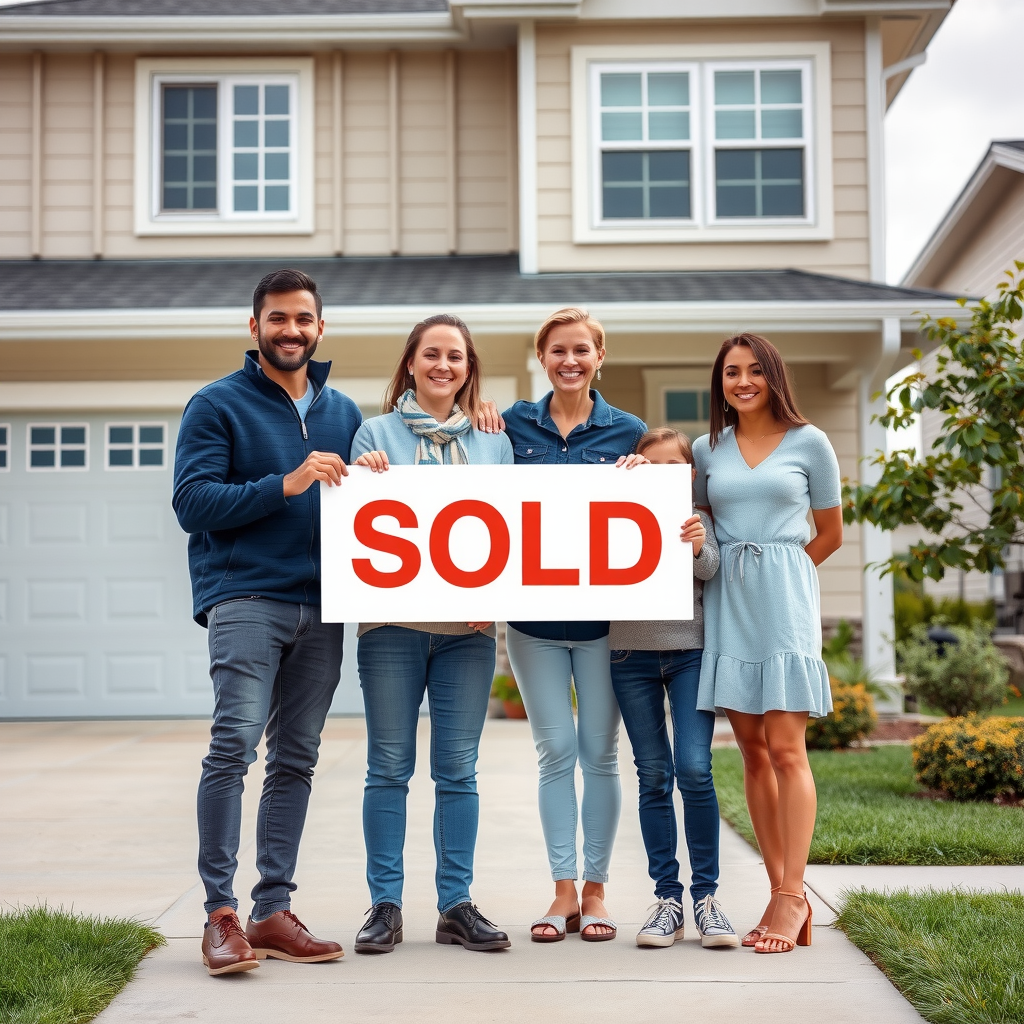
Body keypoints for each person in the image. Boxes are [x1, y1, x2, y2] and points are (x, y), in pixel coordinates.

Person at [173, 269, 361, 976]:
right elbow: (192, 502)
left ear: (321, 327)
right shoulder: (217, 404)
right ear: (254, 328)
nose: (291, 331)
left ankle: (272, 908)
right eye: (277, 319)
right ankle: (221, 914)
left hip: (325, 606)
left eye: (303, 319)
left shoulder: (343, 410)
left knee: (296, 758)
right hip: (248, 599)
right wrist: (284, 482)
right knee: (233, 747)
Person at [348, 313, 514, 954]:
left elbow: (514, 528)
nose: (444, 365)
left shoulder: (493, 440)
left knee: (458, 769)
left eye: (456, 356)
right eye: (431, 355)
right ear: (411, 364)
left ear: (469, 368)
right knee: (388, 767)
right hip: (391, 626)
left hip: (467, 633)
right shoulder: (375, 432)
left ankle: (455, 905)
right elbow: (355, 510)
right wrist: (364, 473)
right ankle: (384, 906)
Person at [692, 333, 843, 954]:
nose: (743, 381)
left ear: (774, 376)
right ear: (720, 382)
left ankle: (791, 896)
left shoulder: (812, 443)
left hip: (783, 603)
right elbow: (698, 526)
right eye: (732, 372)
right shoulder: (708, 448)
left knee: (786, 748)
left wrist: (785, 574)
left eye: (755, 370)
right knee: (751, 750)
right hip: (729, 601)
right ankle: (783, 890)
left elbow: (830, 533)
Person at [501, 307, 647, 943]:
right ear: (543, 358)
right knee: (554, 752)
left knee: (600, 754)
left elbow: (644, 514)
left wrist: (648, 479)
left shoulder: (628, 431)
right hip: (531, 624)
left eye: (581, 350)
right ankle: (561, 892)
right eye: (558, 350)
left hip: (601, 627)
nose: (570, 360)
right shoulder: (507, 426)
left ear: (599, 357)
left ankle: (596, 891)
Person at [608, 427, 738, 950]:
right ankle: (667, 900)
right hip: (629, 654)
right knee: (653, 774)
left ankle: (707, 899)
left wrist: (698, 545)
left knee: (694, 767)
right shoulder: (618, 511)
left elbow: (711, 569)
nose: (661, 475)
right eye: (650, 465)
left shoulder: (697, 519)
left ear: (688, 474)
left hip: (689, 653)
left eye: (671, 468)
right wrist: (625, 486)